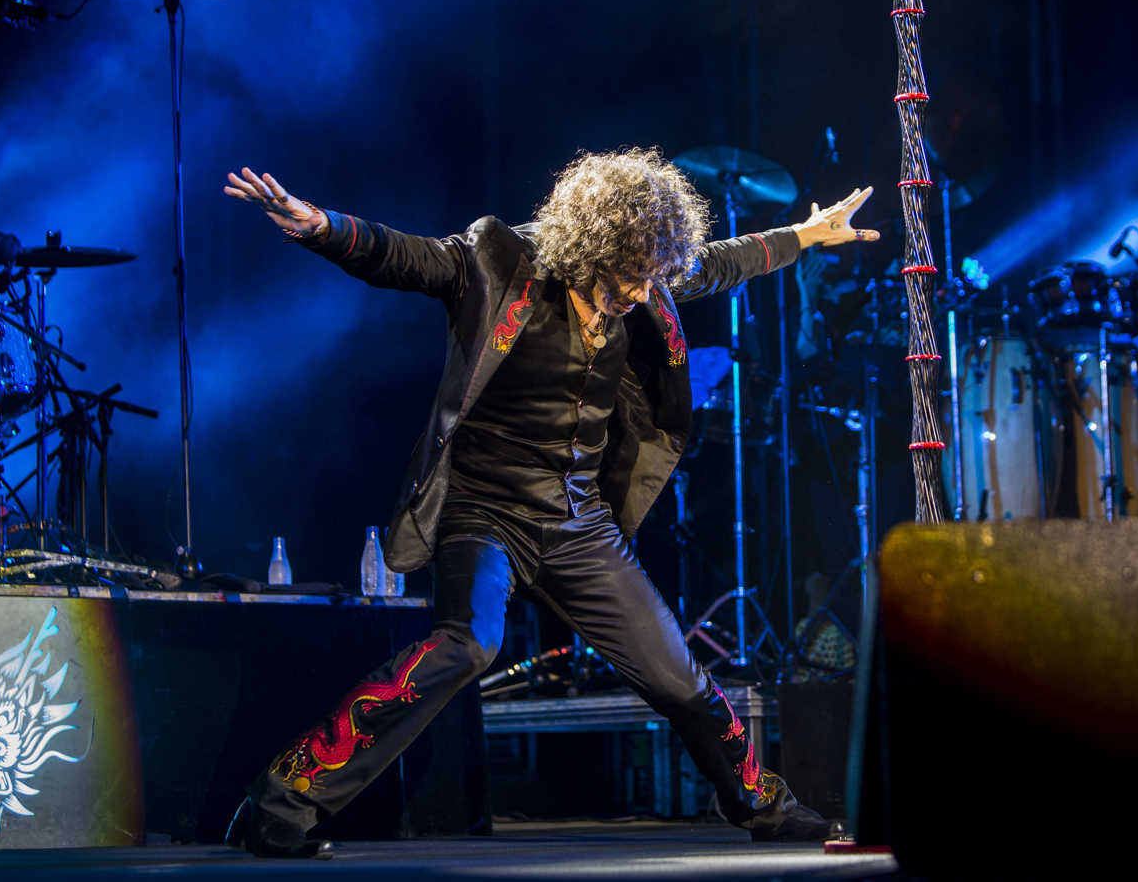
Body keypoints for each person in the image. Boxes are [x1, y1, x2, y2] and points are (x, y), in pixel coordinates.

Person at [221, 148, 878, 858]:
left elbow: (723, 262)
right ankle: (278, 802)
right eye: (630, 274)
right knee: (468, 642)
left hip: (575, 519)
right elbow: (407, 258)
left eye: (653, 274)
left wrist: (809, 234)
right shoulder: (502, 260)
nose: (640, 291)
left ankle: (766, 808)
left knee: (679, 678)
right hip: (483, 506)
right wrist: (322, 225)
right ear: (593, 244)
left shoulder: (648, 276)